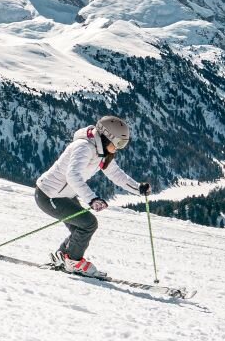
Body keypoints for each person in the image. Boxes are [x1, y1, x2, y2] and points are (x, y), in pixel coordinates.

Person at [33, 115, 152, 277]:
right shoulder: (84, 147)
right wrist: (92, 199)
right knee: (88, 224)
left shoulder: (101, 151)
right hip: (49, 195)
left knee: (80, 228)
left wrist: (138, 188)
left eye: (122, 144)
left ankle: (63, 256)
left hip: (65, 195)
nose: (119, 148)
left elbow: (116, 174)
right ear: (106, 137)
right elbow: (72, 175)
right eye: (119, 143)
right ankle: (73, 261)